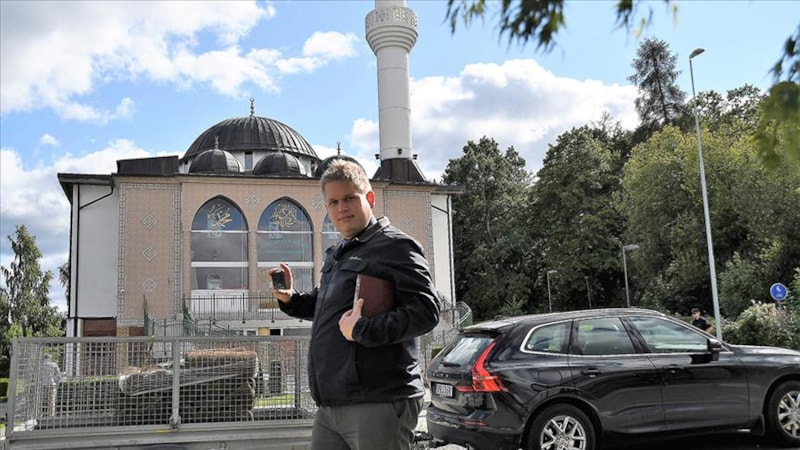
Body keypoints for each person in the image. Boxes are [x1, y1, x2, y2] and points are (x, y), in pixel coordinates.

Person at [271, 159, 440, 450]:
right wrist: (291, 299)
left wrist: (363, 329)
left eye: (350, 198)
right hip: (332, 403)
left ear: (370, 198)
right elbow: (328, 307)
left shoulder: (396, 246)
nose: (342, 208)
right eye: (333, 202)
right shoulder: (338, 252)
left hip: (378, 400)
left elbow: (426, 311)